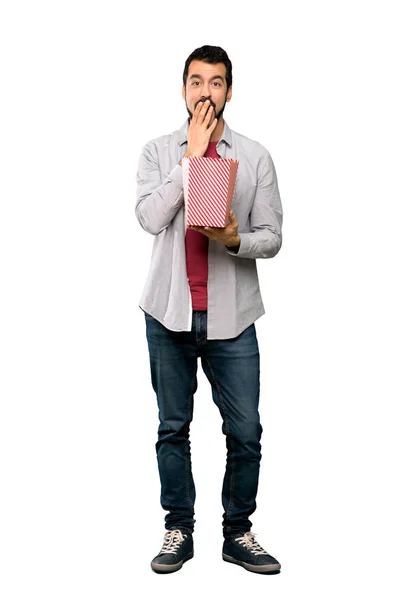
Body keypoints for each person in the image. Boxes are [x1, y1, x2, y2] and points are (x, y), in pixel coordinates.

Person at [135, 45, 283, 575]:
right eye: (196, 82)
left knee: (246, 432)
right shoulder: (157, 151)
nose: (205, 93)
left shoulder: (255, 156)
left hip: (233, 319)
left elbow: (273, 238)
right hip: (168, 313)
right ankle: (179, 528)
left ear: (228, 91)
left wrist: (236, 238)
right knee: (173, 427)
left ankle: (238, 532)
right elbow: (149, 218)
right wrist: (190, 161)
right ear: (183, 90)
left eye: (215, 83)